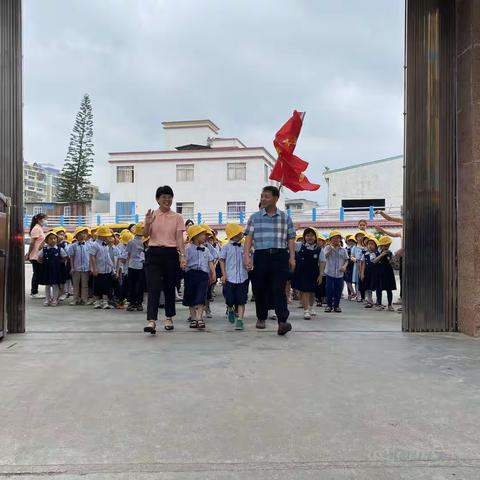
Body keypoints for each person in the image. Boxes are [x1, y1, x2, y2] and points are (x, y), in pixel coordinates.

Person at [243, 186, 295, 336]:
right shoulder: (255, 217)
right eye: (262, 196)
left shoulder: (285, 218)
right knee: (260, 288)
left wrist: (292, 257)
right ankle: (261, 317)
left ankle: (282, 321)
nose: (263, 199)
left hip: (280, 256)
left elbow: (291, 238)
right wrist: (246, 256)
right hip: (261, 256)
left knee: (279, 289)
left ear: (276, 198)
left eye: (266, 196)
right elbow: (248, 239)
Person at [143, 185, 186, 335]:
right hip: (154, 253)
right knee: (153, 287)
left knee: (169, 287)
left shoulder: (177, 217)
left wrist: (182, 256)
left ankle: (169, 317)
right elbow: (145, 234)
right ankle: (151, 321)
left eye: (169, 197)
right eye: (164, 197)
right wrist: (148, 223)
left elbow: (179, 238)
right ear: (157, 199)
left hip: (171, 253)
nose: (167, 200)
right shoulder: (152, 215)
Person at [182, 225, 216, 330]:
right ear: (196, 236)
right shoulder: (187, 249)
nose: (205, 236)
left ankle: (199, 318)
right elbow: (184, 262)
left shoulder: (206, 249)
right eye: (203, 235)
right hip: (190, 274)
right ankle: (193, 318)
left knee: (201, 296)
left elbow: (210, 261)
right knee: (191, 296)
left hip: (203, 275)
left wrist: (213, 272)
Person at [219, 223, 249, 330]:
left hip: (243, 277)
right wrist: (224, 274)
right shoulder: (226, 247)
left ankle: (240, 320)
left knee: (241, 300)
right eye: (240, 232)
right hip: (230, 277)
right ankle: (230, 309)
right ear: (234, 234)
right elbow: (221, 260)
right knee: (229, 298)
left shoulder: (245, 246)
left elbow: (249, 258)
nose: (242, 233)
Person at [292, 227, 321, 320]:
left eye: (312, 235)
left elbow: (323, 262)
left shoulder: (319, 249)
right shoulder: (300, 245)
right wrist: (293, 231)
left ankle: (311, 307)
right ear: (304, 237)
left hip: (314, 274)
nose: (309, 237)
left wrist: (321, 275)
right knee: (305, 291)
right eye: (307, 235)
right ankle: (306, 310)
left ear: (316, 237)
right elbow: (290, 243)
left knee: (312, 292)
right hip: (302, 273)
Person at [37, 230, 67, 306]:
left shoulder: (59, 249)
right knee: (47, 285)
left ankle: (55, 299)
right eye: (50, 238)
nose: (53, 240)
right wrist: (44, 264)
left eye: (54, 238)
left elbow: (65, 257)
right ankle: (47, 299)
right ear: (46, 240)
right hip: (47, 270)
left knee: (55, 285)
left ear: (57, 240)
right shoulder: (44, 249)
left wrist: (58, 263)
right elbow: (39, 258)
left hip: (56, 270)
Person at [321, 230, 349, 313]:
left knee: (338, 290)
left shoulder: (343, 250)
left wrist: (344, 266)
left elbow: (347, 260)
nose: (336, 240)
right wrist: (331, 250)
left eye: (338, 238)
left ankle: (336, 306)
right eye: (334, 238)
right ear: (330, 240)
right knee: (329, 289)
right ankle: (329, 305)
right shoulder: (327, 248)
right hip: (329, 273)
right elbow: (324, 257)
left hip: (340, 274)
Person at [89, 225, 115, 309]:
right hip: (99, 269)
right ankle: (97, 301)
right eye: (106, 236)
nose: (108, 237)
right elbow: (92, 257)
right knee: (97, 286)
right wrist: (94, 268)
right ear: (102, 236)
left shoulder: (106, 245)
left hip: (107, 269)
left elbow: (107, 257)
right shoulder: (95, 245)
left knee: (106, 286)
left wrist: (112, 268)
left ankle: (105, 301)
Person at [125, 223, 146, 312]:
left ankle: (131, 303)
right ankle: (139, 303)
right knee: (140, 285)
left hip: (132, 265)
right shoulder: (145, 242)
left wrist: (126, 267)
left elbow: (128, 254)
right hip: (142, 265)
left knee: (132, 285)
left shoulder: (131, 242)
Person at [26, 213, 47, 298]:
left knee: (38, 273)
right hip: (35, 255)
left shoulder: (39, 228)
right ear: (39, 219)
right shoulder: (36, 229)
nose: (46, 221)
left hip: (38, 255)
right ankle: (34, 292)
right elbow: (32, 243)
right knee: (36, 273)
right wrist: (29, 253)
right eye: (45, 219)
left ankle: (35, 291)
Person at [68, 226, 90, 305]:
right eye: (81, 233)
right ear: (77, 235)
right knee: (76, 285)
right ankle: (75, 299)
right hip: (76, 269)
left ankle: (84, 299)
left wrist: (90, 267)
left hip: (86, 268)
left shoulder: (89, 245)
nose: (83, 235)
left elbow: (90, 257)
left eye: (85, 233)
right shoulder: (73, 246)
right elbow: (71, 257)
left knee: (85, 285)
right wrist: (72, 267)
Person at [373, 236, 397, 311]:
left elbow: (394, 263)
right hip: (379, 273)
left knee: (389, 289)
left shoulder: (390, 253)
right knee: (379, 289)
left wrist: (393, 262)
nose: (386, 247)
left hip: (388, 273)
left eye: (388, 245)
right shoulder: (376, 252)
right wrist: (382, 255)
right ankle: (379, 304)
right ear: (381, 245)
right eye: (385, 245)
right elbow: (374, 261)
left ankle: (390, 305)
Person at [360, 236, 379, 308]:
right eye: (368, 244)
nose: (370, 246)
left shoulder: (378, 254)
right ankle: (369, 301)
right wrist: (362, 273)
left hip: (376, 273)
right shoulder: (365, 254)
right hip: (367, 273)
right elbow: (363, 264)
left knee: (377, 287)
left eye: (372, 244)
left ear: (376, 246)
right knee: (367, 287)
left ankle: (378, 301)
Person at [344, 234, 357, 300]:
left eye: (352, 240)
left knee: (355, 281)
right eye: (349, 240)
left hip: (354, 266)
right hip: (347, 266)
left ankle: (358, 294)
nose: (350, 241)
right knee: (347, 280)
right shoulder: (345, 248)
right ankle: (352, 293)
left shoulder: (356, 248)